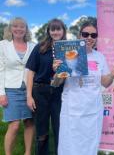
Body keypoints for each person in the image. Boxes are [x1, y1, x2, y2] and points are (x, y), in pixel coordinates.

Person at [57, 21, 114, 155]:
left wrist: (113, 74)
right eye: (85, 34)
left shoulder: (100, 57)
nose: (89, 38)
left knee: (90, 142)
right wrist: (58, 71)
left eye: (93, 35)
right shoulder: (68, 54)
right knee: (70, 143)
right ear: (79, 35)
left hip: (93, 110)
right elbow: (57, 82)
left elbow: (105, 82)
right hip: (72, 109)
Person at [26, 18, 66, 155]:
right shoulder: (40, 47)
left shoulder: (70, 48)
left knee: (59, 128)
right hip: (40, 91)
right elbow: (30, 72)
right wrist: (29, 96)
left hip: (59, 92)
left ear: (63, 31)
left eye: (58, 29)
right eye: (52, 29)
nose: (55, 32)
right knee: (42, 130)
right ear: (48, 31)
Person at [0, 17, 35, 155]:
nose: (19, 29)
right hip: (11, 89)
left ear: (26, 29)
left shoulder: (33, 46)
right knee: (14, 125)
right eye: (15, 26)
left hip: (29, 89)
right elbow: (0, 69)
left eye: (22, 26)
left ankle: (27, 152)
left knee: (29, 122)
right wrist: (1, 93)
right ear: (10, 28)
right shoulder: (3, 45)